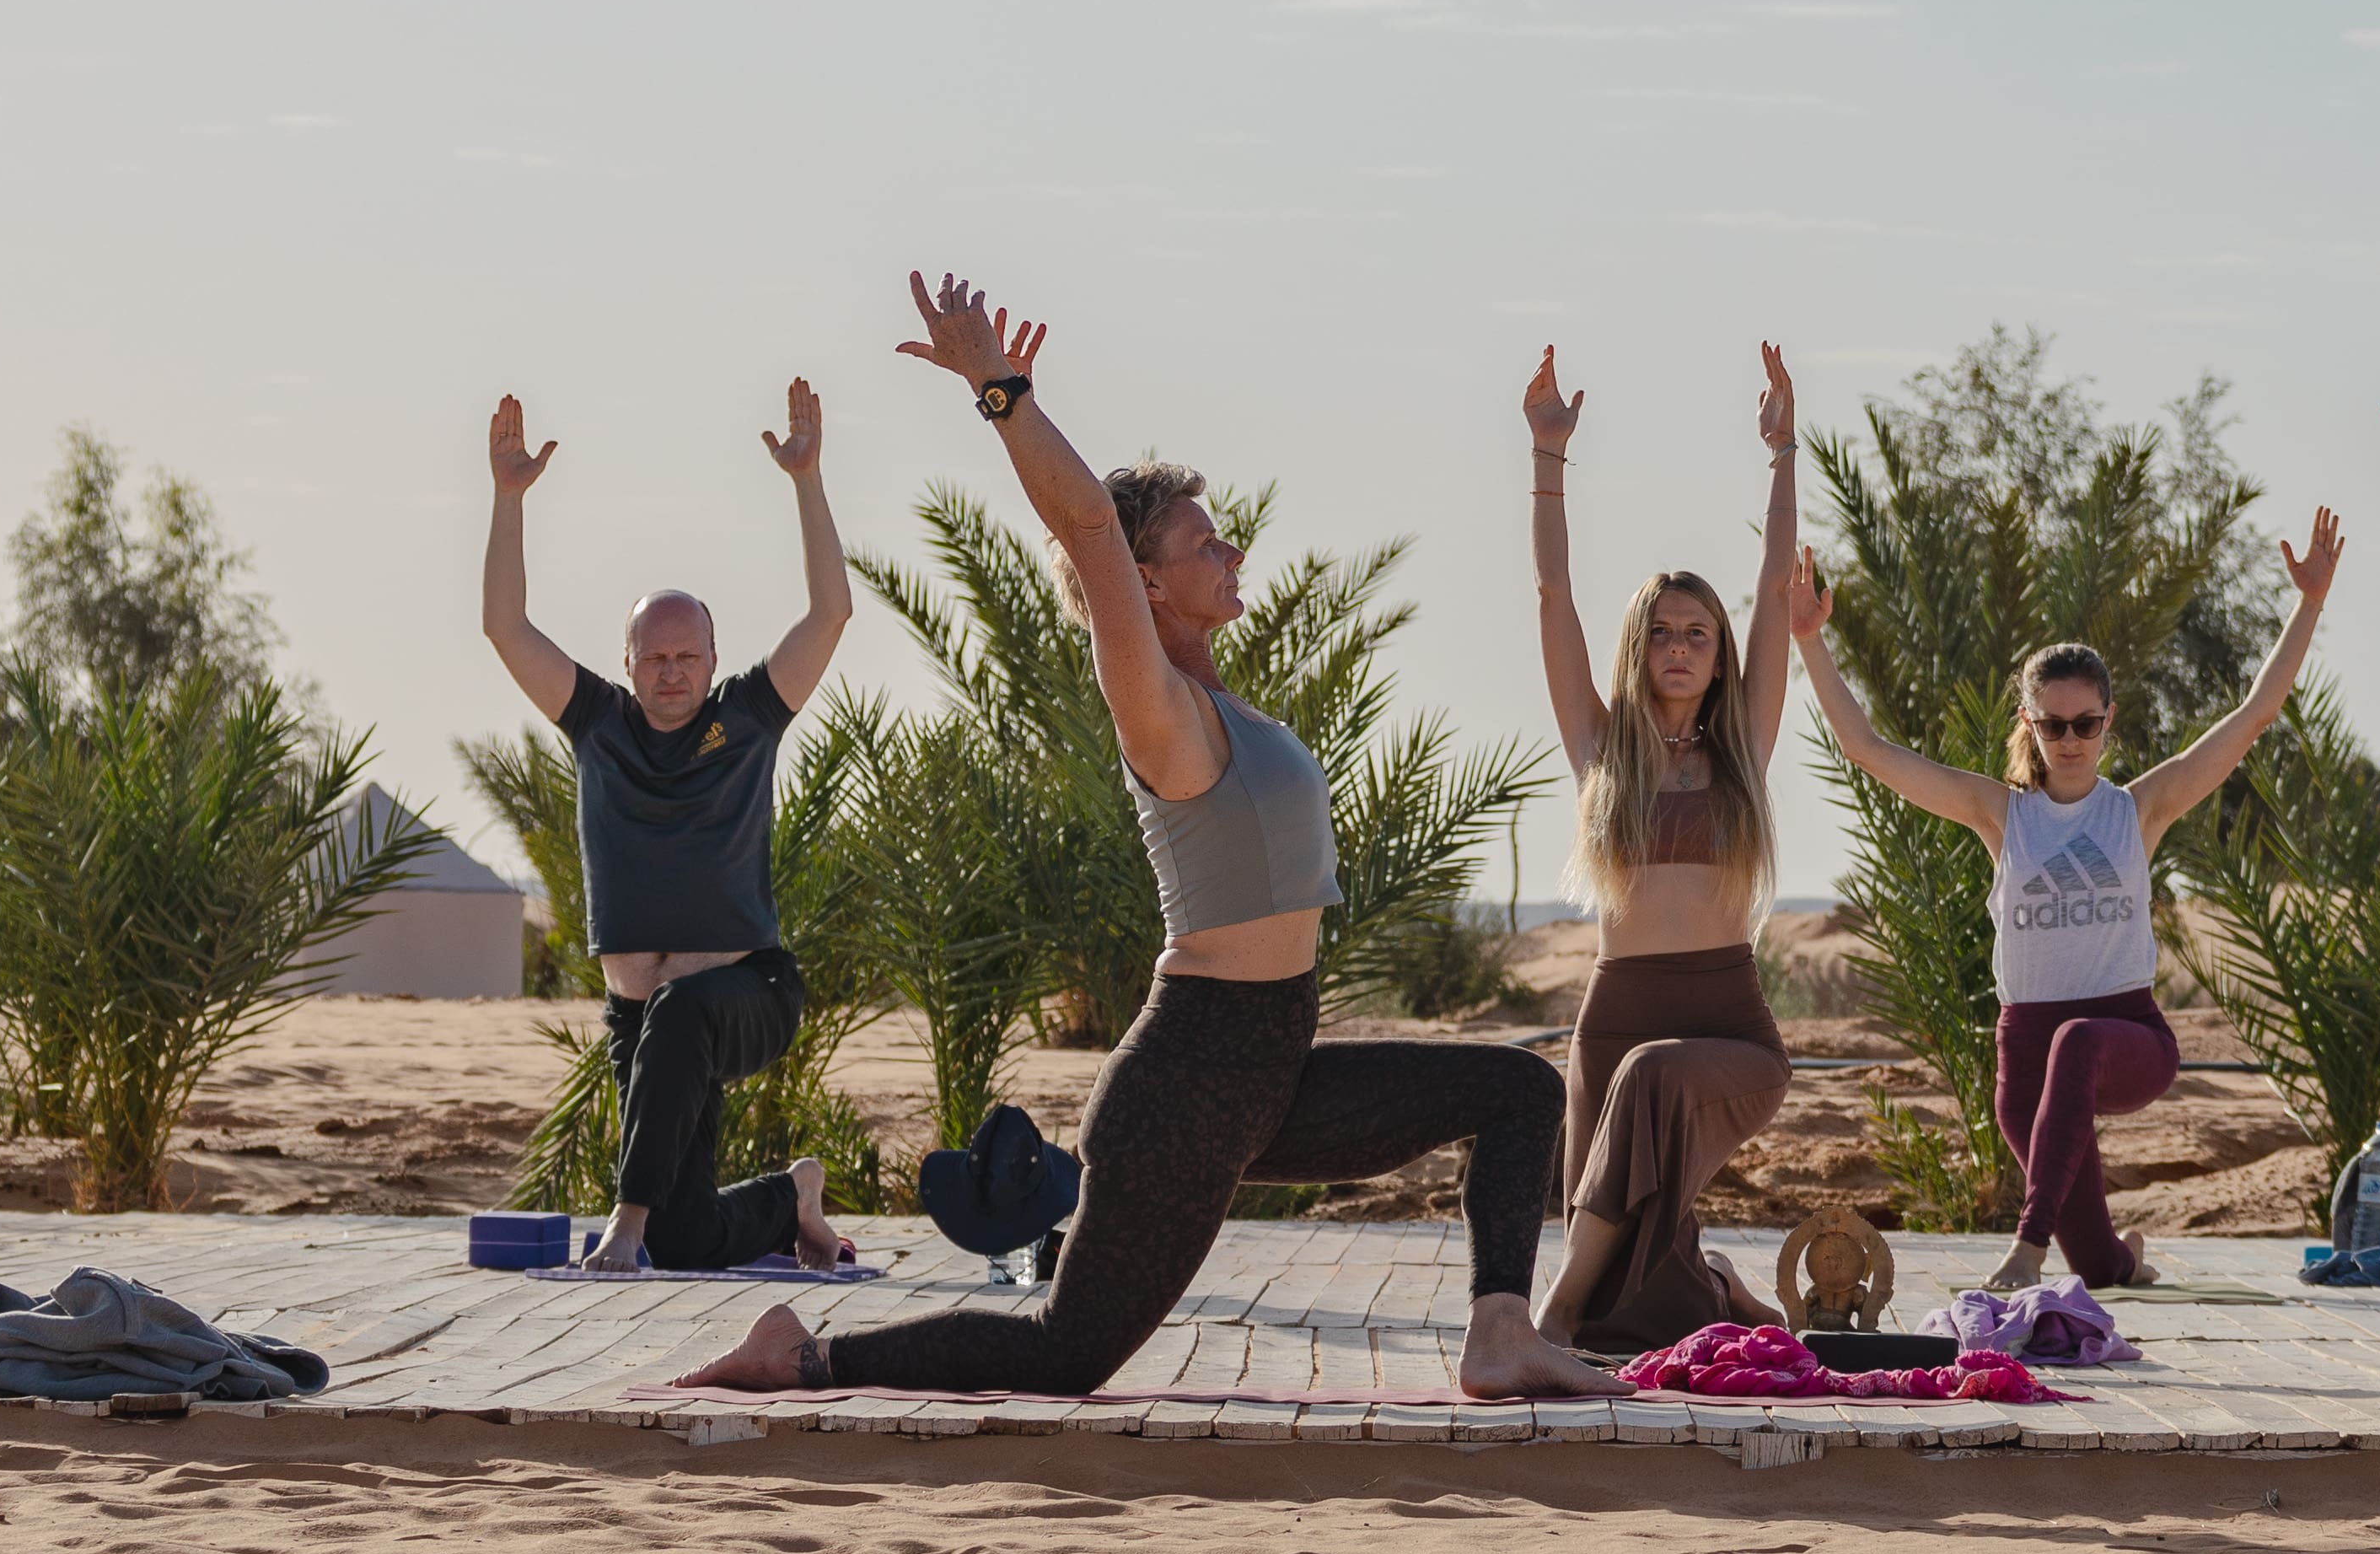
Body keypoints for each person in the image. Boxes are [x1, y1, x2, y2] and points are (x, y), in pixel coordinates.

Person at [680, 275, 1621, 1401]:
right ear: (1148, 585)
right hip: (1191, 1081)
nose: (1231, 554)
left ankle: (1499, 1335)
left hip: (1261, 1071)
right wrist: (1000, 391)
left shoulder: (1227, 708)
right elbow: (1086, 528)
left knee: (1517, 1095)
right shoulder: (1159, 710)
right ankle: (804, 1355)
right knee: (1067, 1355)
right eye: (1202, 543)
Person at [1783, 510, 2346, 1298]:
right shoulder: (1999, 813)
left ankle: (2024, 1249)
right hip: (2026, 1056)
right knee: (2102, 1267)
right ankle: (2121, 1253)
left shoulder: (2141, 808)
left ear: (2109, 721)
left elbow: (2251, 717)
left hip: (2126, 1037)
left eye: (2086, 722)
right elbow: (1870, 751)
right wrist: (1809, 639)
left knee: (2078, 1042)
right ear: (2030, 723)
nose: (2072, 738)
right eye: (2054, 724)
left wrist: (2310, 603)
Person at [482, 380, 866, 1277]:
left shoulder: (750, 716)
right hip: (638, 1021)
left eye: (686, 655)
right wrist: (508, 501)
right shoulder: (597, 723)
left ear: (712, 660)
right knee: (687, 1238)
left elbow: (831, 614)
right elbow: (504, 627)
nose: (670, 671)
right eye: (653, 657)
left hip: (747, 997)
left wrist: (807, 481)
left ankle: (621, 1226)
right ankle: (790, 1199)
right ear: (626, 664)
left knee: (684, 1010)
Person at [1518, 340, 1805, 1354]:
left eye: (1699, 633)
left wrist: (1783, 454)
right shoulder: (1603, 753)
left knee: (1647, 1087)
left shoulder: (1743, 753)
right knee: (1625, 1305)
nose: (1681, 645)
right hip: (1615, 1020)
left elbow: (1777, 590)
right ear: (1638, 645)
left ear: (1720, 656)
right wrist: (1549, 459)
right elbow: (1554, 601)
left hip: (1726, 1025)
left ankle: (1545, 1310)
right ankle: (1704, 1277)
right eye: (1663, 631)